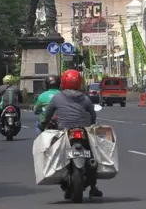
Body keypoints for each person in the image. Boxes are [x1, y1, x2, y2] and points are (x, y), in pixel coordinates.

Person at [40, 69, 102, 198]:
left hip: (64, 130)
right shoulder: (84, 98)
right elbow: (93, 114)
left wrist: (44, 124)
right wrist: (91, 123)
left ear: (63, 82)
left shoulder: (58, 97)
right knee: (92, 154)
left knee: (54, 152)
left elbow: (48, 114)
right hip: (83, 130)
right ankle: (94, 187)